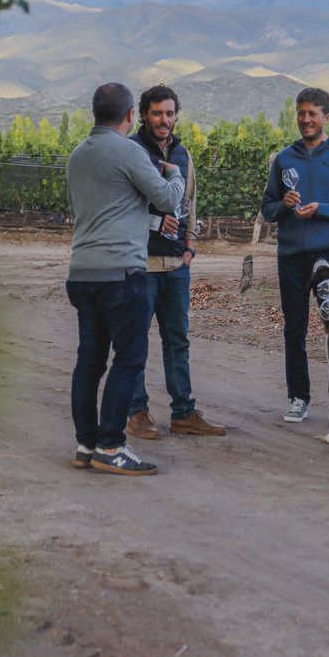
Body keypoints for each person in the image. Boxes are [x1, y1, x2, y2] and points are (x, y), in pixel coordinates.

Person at [65, 82, 184, 476]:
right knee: (129, 359)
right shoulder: (130, 151)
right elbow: (168, 200)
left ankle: (86, 444)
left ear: (94, 112)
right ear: (131, 114)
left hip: (82, 272)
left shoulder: (77, 156)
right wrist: (176, 174)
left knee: (89, 361)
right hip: (122, 274)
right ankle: (112, 445)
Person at [126, 84, 226, 439]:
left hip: (176, 267)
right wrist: (153, 222)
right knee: (135, 340)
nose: (164, 120)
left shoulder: (183, 154)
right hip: (140, 265)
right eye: (157, 113)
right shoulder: (132, 151)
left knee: (178, 339)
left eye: (169, 113)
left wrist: (190, 247)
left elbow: (190, 202)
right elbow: (122, 206)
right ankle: (136, 412)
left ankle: (183, 412)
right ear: (143, 115)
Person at [261, 87, 329, 423]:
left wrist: (323, 210)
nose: (306, 119)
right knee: (294, 328)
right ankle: (298, 398)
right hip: (291, 258)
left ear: (326, 118)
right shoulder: (284, 159)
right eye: (301, 113)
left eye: (312, 114)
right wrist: (283, 206)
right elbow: (267, 208)